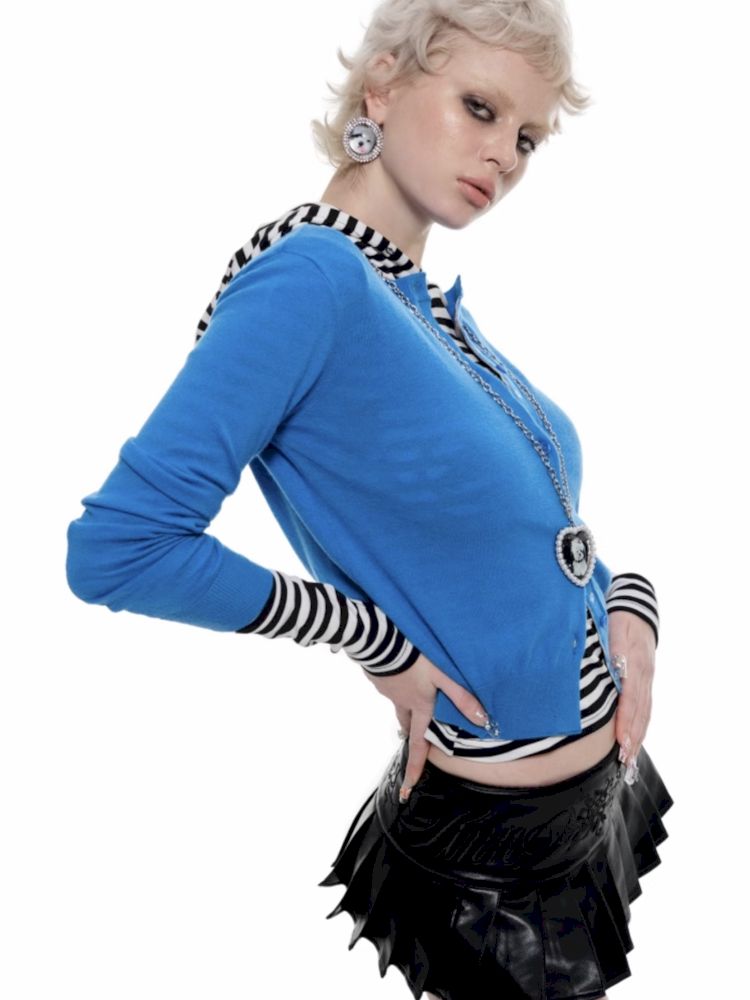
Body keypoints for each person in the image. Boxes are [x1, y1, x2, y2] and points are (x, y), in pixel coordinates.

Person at [65, 1, 674, 997]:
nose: (505, 155)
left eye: (526, 137)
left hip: (601, 802)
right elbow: (122, 549)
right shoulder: (313, 280)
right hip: (490, 862)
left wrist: (631, 613)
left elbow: (531, 533)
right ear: (382, 86)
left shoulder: (416, 301)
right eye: (480, 108)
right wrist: (372, 638)